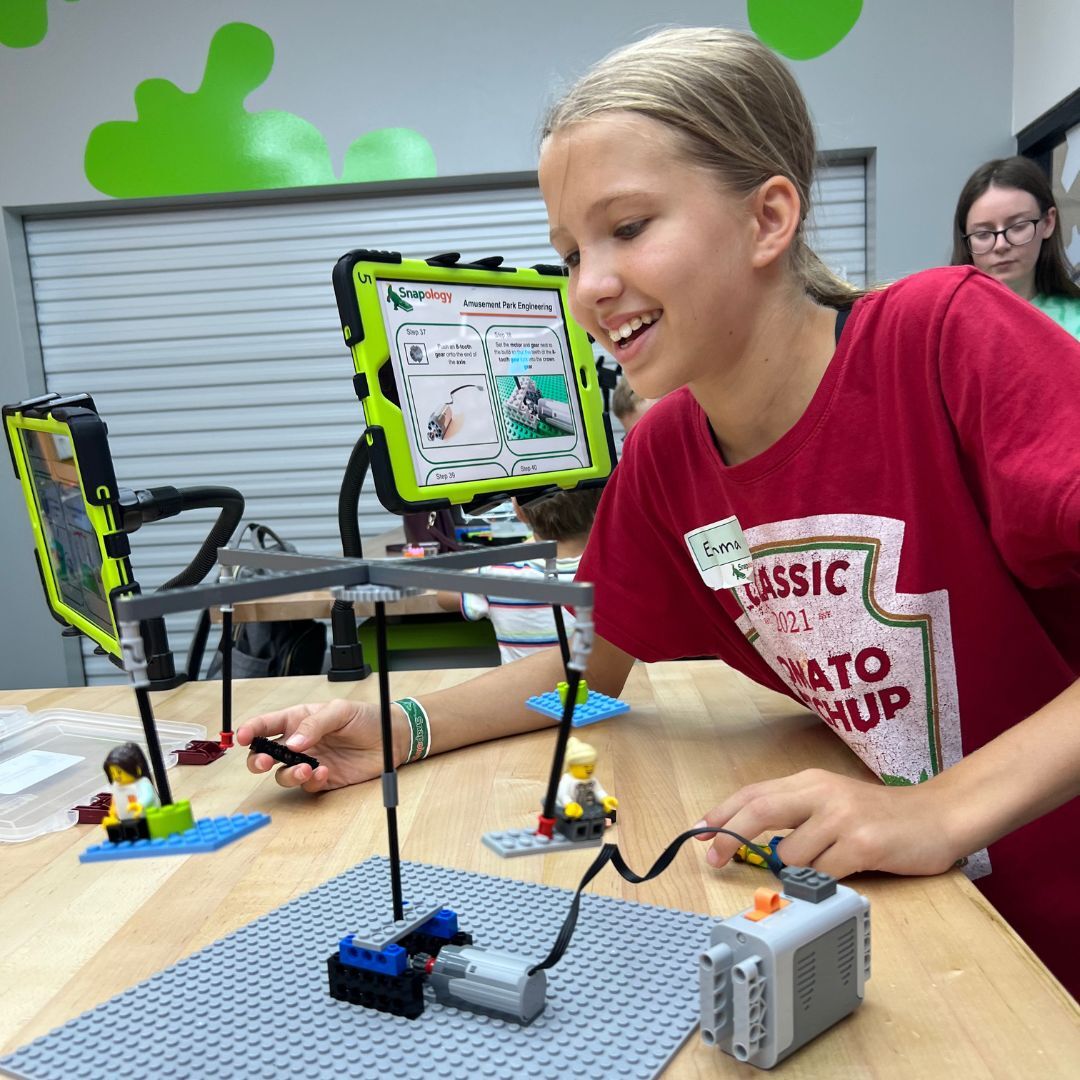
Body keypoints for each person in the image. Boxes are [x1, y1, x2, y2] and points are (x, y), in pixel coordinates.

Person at [238, 28, 1080, 995]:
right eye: (570, 252)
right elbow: (584, 672)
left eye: (629, 228)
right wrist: (399, 727)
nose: (589, 288)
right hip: (945, 937)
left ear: (768, 218)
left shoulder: (943, 337)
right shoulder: (667, 455)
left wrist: (938, 810)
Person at [434, 488, 601, 663]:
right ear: (599, 505)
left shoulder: (498, 575)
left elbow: (443, 596)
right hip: (596, 681)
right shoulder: (610, 573)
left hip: (525, 681)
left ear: (520, 512)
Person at [951, 155, 1080, 337]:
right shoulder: (945, 325)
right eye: (983, 234)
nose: (1001, 245)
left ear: (1048, 223)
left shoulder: (1075, 320)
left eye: (1018, 227)